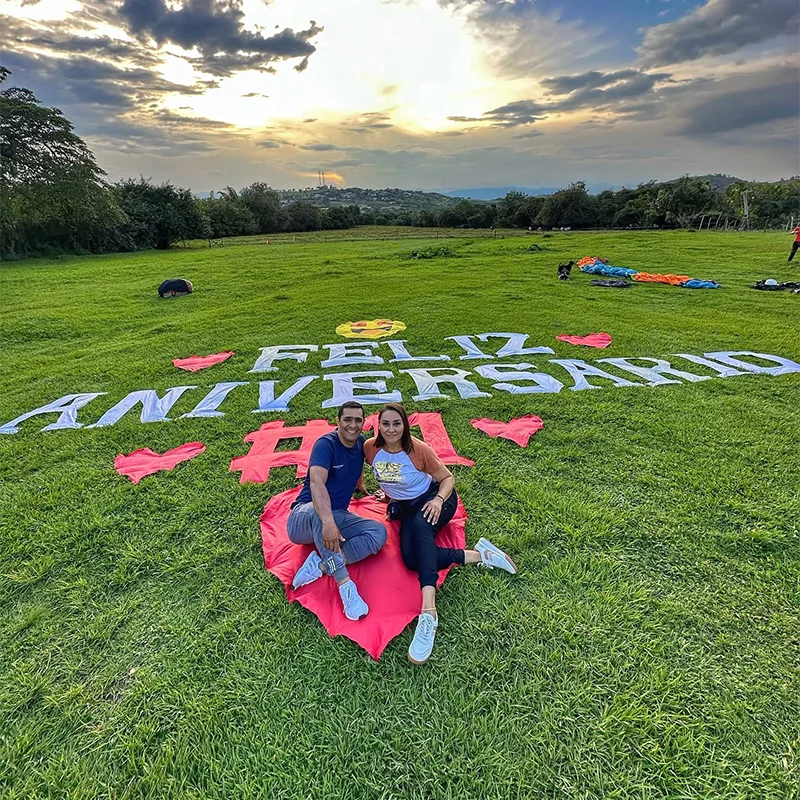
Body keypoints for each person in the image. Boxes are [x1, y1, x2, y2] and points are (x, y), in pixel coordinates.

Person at [364, 403, 518, 664]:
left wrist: (437, 500)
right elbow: (389, 475)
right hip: (406, 506)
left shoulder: (418, 450)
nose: (391, 429)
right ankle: (480, 555)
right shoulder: (371, 448)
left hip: (436, 500)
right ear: (378, 426)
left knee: (423, 528)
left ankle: (429, 613)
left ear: (405, 425)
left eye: (397, 423)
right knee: (412, 559)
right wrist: (388, 495)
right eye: (386, 424)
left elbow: (447, 479)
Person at [286, 401, 387, 621]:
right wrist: (328, 522)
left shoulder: (360, 442)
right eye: (348, 419)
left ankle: (321, 565)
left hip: (337, 513)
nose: (353, 425)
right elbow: (316, 484)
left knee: (378, 533)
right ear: (338, 421)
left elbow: (358, 464)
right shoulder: (326, 445)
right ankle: (345, 587)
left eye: (358, 420)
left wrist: (360, 484)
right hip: (303, 517)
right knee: (321, 513)